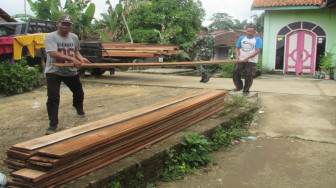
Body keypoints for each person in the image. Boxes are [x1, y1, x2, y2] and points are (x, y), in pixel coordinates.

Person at [44, 15, 91, 135]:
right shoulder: (51, 37)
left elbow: (76, 51)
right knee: (53, 98)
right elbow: (53, 53)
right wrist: (72, 59)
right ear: (57, 24)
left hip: (70, 71)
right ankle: (53, 124)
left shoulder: (74, 37)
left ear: (72, 26)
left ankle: (79, 108)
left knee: (79, 92)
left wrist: (81, 59)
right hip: (54, 71)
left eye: (68, 24)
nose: (66, 26)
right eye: (63, 24)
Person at [233, 27, 262, 96]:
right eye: (248, 31)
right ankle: (239, 87)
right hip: (241, 59)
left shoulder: (257, 39)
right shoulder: (242, 38)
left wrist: (248, 57)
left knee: (249, 75)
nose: (249, 33)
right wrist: (237, 56)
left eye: (250, 31)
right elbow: (237, 48)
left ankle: (246, 90)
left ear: (254, 32)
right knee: (236, 72)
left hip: (251, 61)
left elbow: (258, 50)